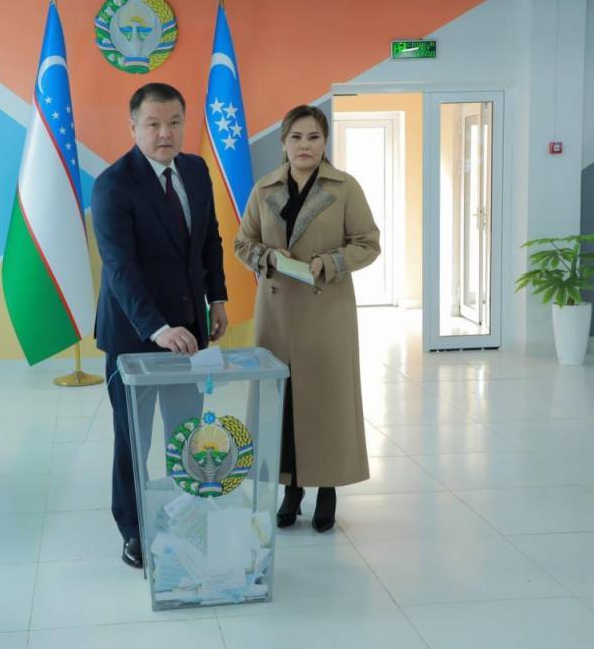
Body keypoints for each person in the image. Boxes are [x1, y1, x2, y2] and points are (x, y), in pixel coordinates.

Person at [92, 82, 229, 568]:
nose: (165, 133)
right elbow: (120, 269)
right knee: (135, 439)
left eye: (173, 122)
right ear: (133, 127)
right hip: (135, 336)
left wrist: (217, 298)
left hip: (190, 333)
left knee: (186, 434)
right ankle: (133, 529)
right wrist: (158, 329)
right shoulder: (113, 185)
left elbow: (209, 240)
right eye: (153, 124)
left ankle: (185, 515)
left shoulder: (195, 170)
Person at [234, 104, 380, 533]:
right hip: (276, 312)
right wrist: (266, 256)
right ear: (283, 142)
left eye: (313, 137)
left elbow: (368, 243)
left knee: (326, 400)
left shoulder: (345, 188)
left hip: (326, 310)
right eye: (296, 137)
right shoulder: (264, 188)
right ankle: (290, 490)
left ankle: (327, 490)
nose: (304, 145)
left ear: (325, 141)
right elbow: (243, 243)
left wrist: (329, 262)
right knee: (281, 402)